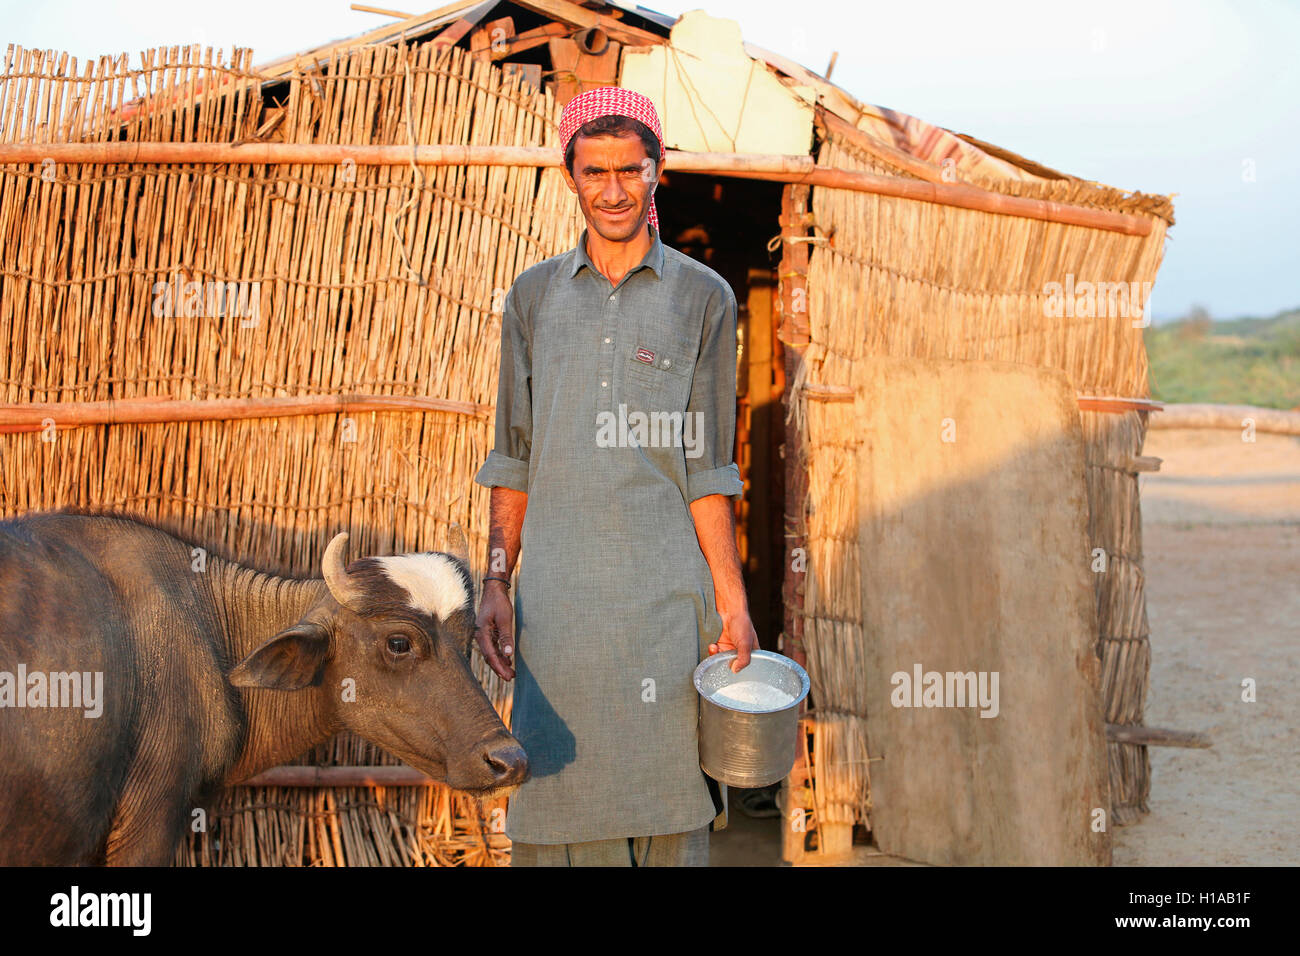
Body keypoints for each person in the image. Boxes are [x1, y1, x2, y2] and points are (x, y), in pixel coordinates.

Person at [471, 87, 758, 867]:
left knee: (670, 804)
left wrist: (733, 605)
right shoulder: (532, 298)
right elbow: (513, 454)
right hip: (557, 611)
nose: (613, 190)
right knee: (555, 798)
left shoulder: (704, 298)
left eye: (630, 171)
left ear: (656, 172)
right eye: (594, 172)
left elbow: (708, 470)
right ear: (570, 175)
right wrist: (497, 580)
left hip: (667, 607)